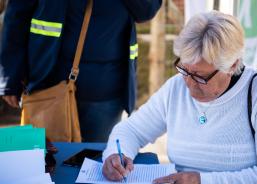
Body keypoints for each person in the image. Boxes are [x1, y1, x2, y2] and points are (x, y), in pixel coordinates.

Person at [102, 11, 257, 184]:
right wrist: (116, 155)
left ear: (233, 65)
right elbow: (131, 130)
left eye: (201, 76)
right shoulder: (176, 88)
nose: (190, 84)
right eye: (185, 70)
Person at [0, 0, 162, 142]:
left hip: (105, 93)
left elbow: (146, 9)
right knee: (45, 166)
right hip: (47, 83)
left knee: (97, 168)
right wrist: (9, 77)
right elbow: (17, 14)